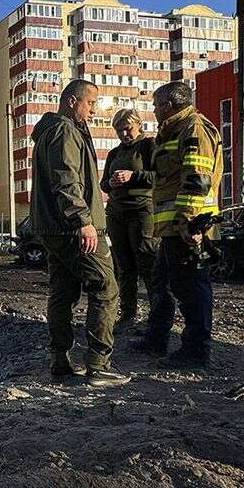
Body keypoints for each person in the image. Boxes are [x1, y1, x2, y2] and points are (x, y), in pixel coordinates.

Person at [29, 79, 130, 387]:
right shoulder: (64, 130)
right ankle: (99, 366)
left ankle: (60, 361)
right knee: (106, 287)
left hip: (53, 228)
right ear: (72, 101)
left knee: (63, 291)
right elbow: (67, 179)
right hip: (72, 228)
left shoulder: (51, 131)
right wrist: (82, 221)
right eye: (89, 104)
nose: (92, 110)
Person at [134, 81, 223, 370]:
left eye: (156, 105)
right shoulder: (173, 130)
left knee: (190, 287)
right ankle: (156, 339)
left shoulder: (194, 129)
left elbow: (197, 177)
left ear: (167, 105)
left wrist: (188, 222)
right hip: (173, 229)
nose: (154, 110)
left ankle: (196, 351)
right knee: (162, 282)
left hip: (188, 227)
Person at [101, 108, 158, 328]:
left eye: (127, 128)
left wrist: (134, 176)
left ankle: (157, 315)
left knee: (146, 262)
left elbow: (160, 176)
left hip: (141, 211)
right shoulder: (114, 154)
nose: (124, 134)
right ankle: (128, 314)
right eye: (119, 130)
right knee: (124, 267)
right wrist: (111, 184)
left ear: (138, 125)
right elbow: (104, 183)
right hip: (116, 213)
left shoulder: (148, 146)